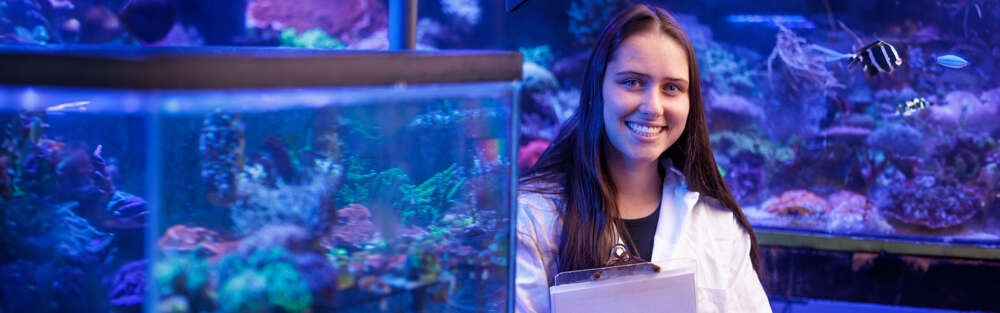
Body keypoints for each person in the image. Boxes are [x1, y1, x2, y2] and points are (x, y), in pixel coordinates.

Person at [515, 3, 771, 312]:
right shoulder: (531, 219)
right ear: (598, 88)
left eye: (672, 88)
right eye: (632, 82)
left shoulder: (718, 223)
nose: (653, 107)